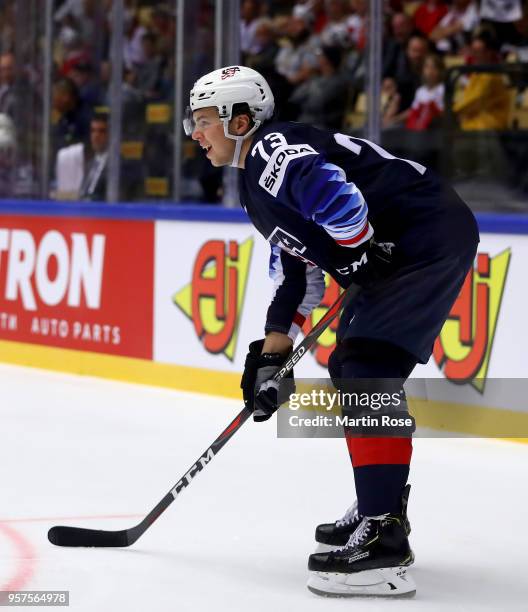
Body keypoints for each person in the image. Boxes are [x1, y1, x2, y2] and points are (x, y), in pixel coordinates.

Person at [183, 65, 478, 597]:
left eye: (202, 121)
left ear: (240, 120)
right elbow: (299, 277)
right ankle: (379, 508)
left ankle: (383, 534)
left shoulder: (271, 148)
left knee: (367, 370)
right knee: (352, 366)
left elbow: (331, 192)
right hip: (411, 239)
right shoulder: (257, 184)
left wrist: (356, 246)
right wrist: (272, 354)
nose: (194, 133)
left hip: (424, 236)